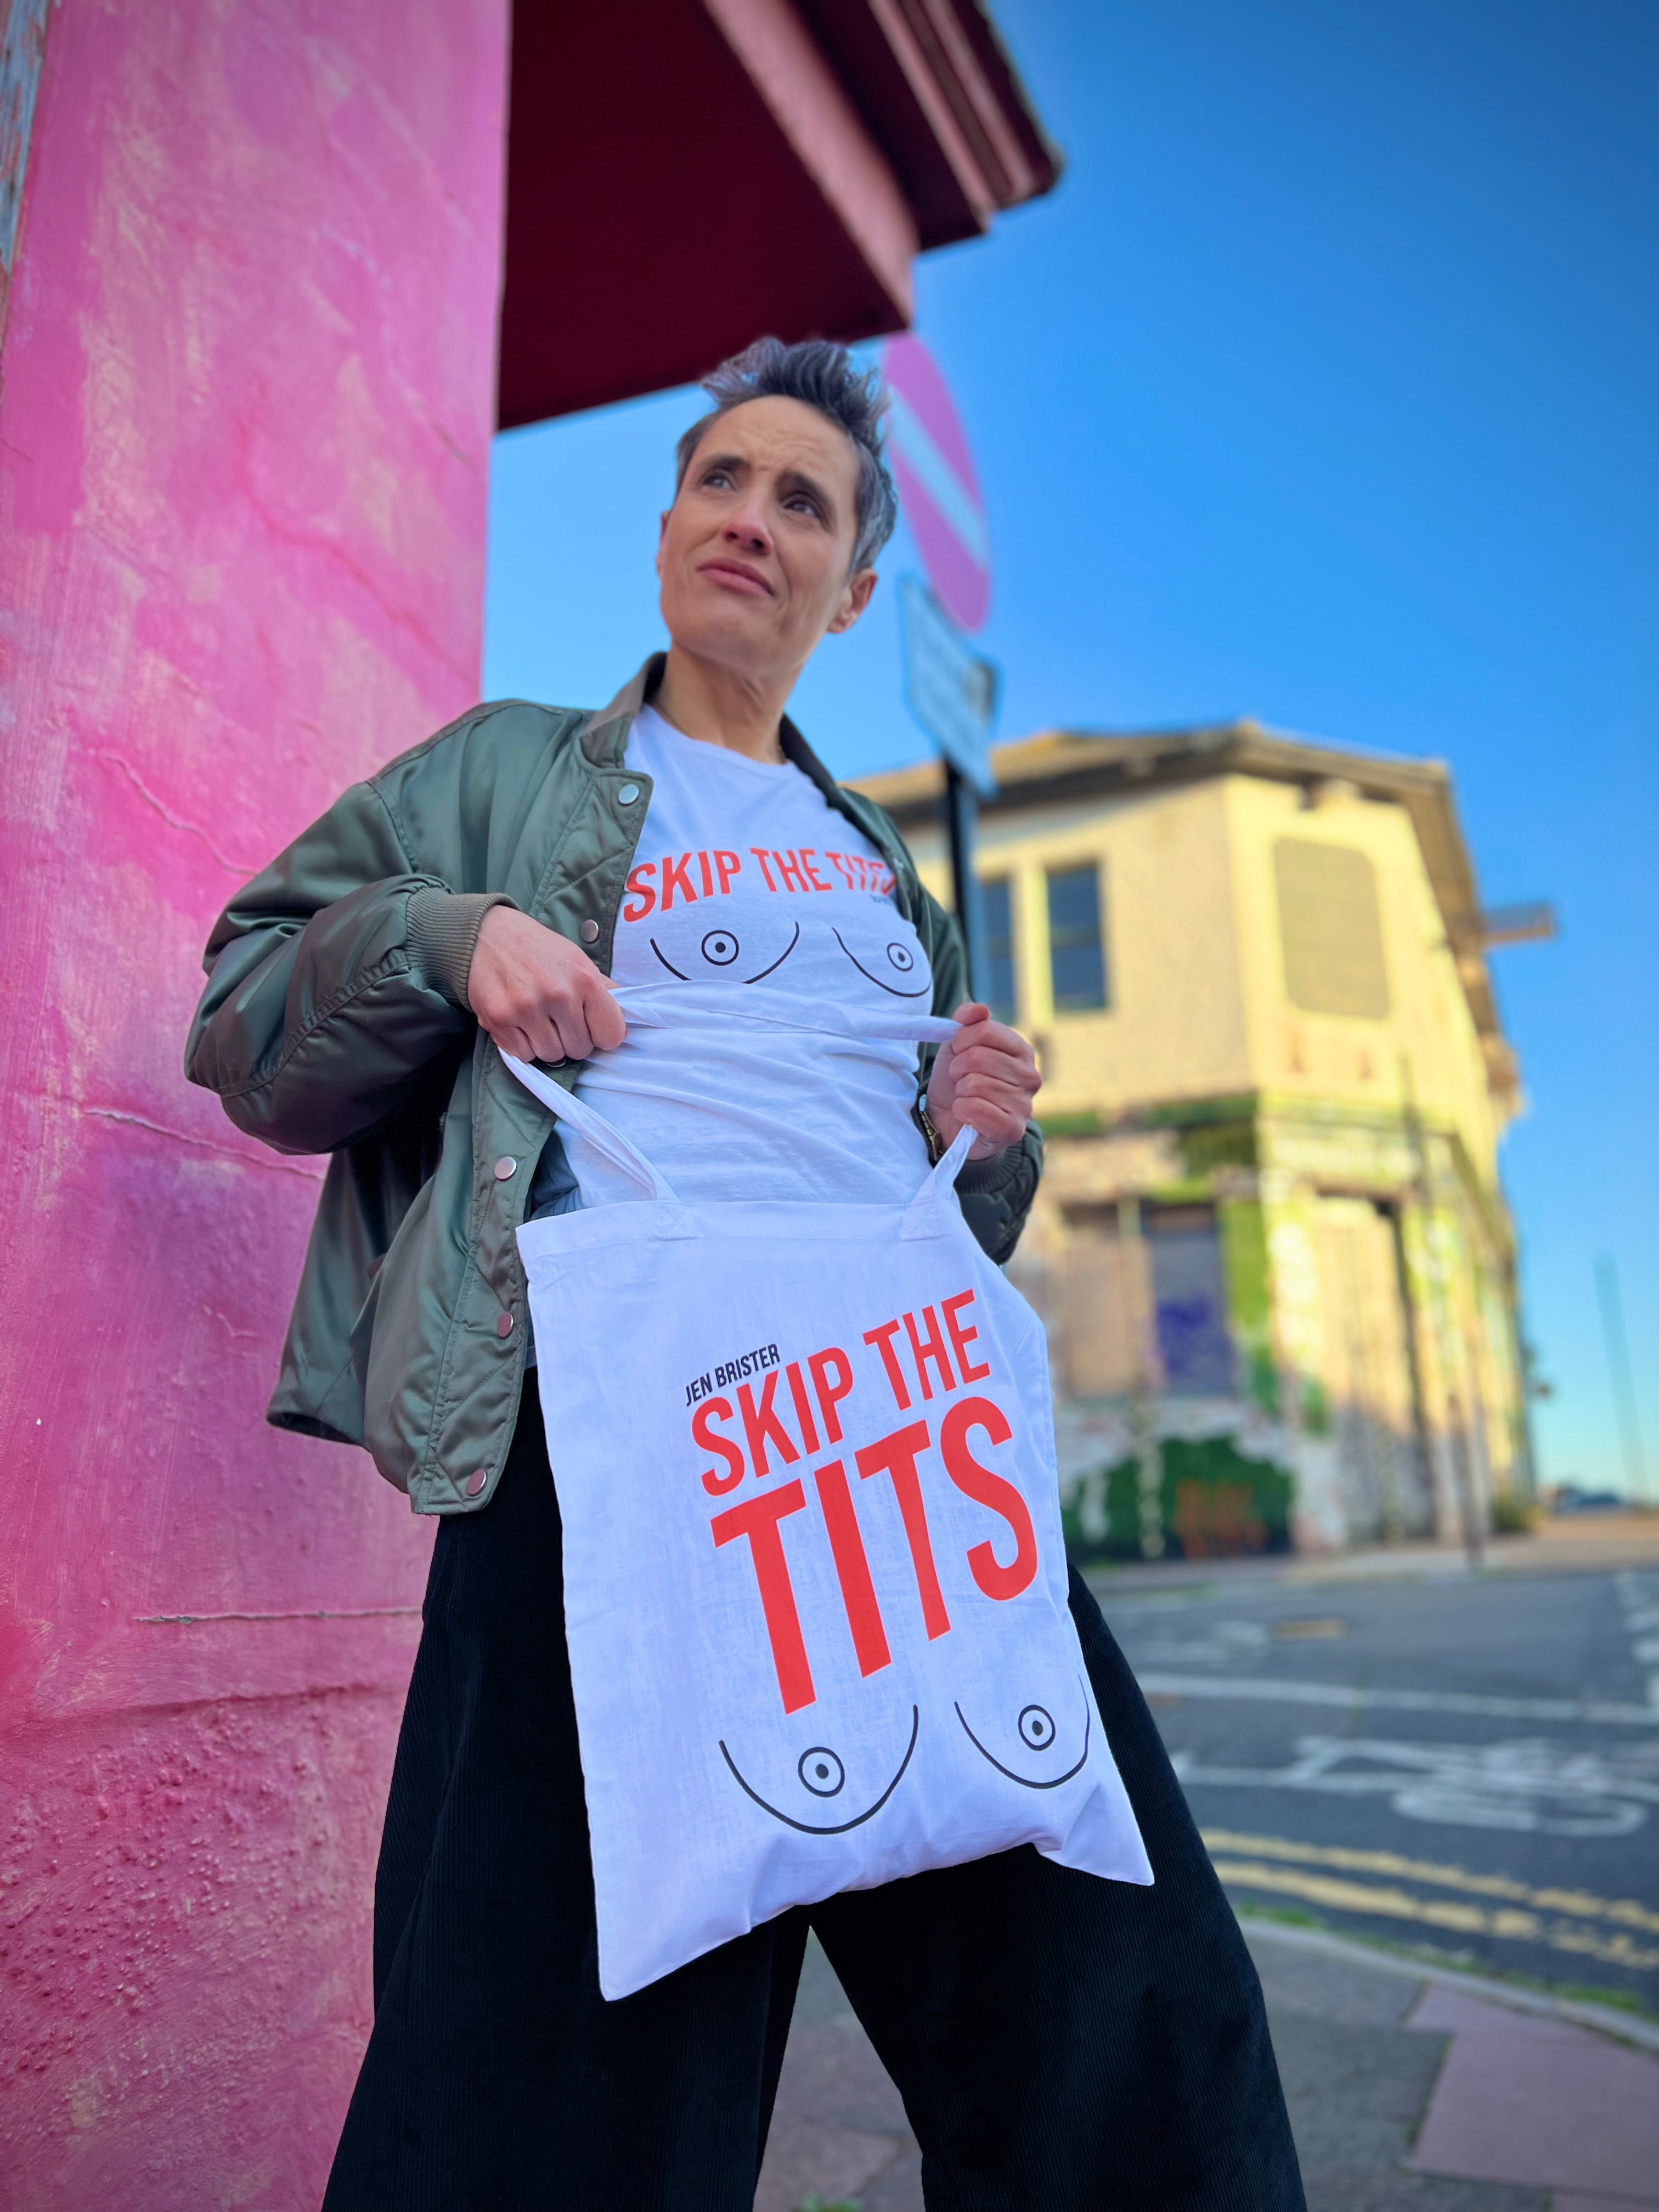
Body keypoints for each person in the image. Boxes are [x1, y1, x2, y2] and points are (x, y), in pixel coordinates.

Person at [187, 338, 1304, 2210]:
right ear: (664, 533)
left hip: (910, 1455)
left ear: (850, 590)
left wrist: (985, 1138)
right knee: (553, 2107)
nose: (752, 518)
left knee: (1133, 2039)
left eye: (804, 500)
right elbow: (243, 1023)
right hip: (606, 1454)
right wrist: (453, 934)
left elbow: (951, 1208)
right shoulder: (509, 772)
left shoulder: (886, 876)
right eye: (722, 478)